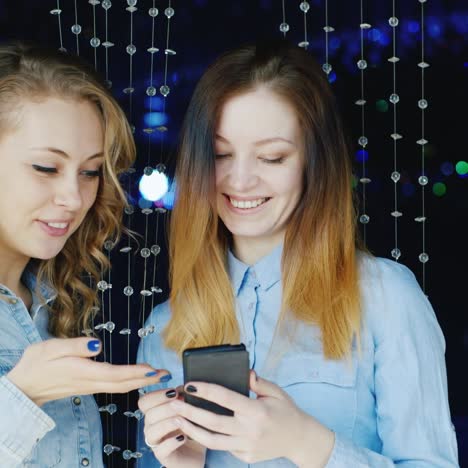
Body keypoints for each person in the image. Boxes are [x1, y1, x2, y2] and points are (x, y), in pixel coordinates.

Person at [136, 39, 459, 467]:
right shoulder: (164, 328)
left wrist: (308, 443)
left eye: (272, 157)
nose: (241, 179)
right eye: (220, 154)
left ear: (314, 163)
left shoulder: (384, 297)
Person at [0, 41, 170, 467]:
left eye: (90, 172)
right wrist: (21, 396)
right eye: (46, 168)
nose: (74, 198)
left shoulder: (50, 304)